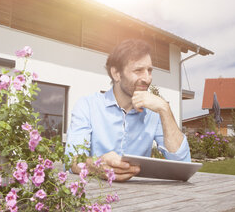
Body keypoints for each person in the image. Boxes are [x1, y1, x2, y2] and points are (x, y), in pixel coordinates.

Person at [65, 39, 191, 181]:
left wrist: (165, 109)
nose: (147, 79)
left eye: (149, 71)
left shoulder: (154, 113)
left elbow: (183, 164)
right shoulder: (87, 106)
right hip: (96, 196)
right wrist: (96, 165)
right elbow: (72, 161)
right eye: (138, 70)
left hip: (142, 199)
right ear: (116, 74)